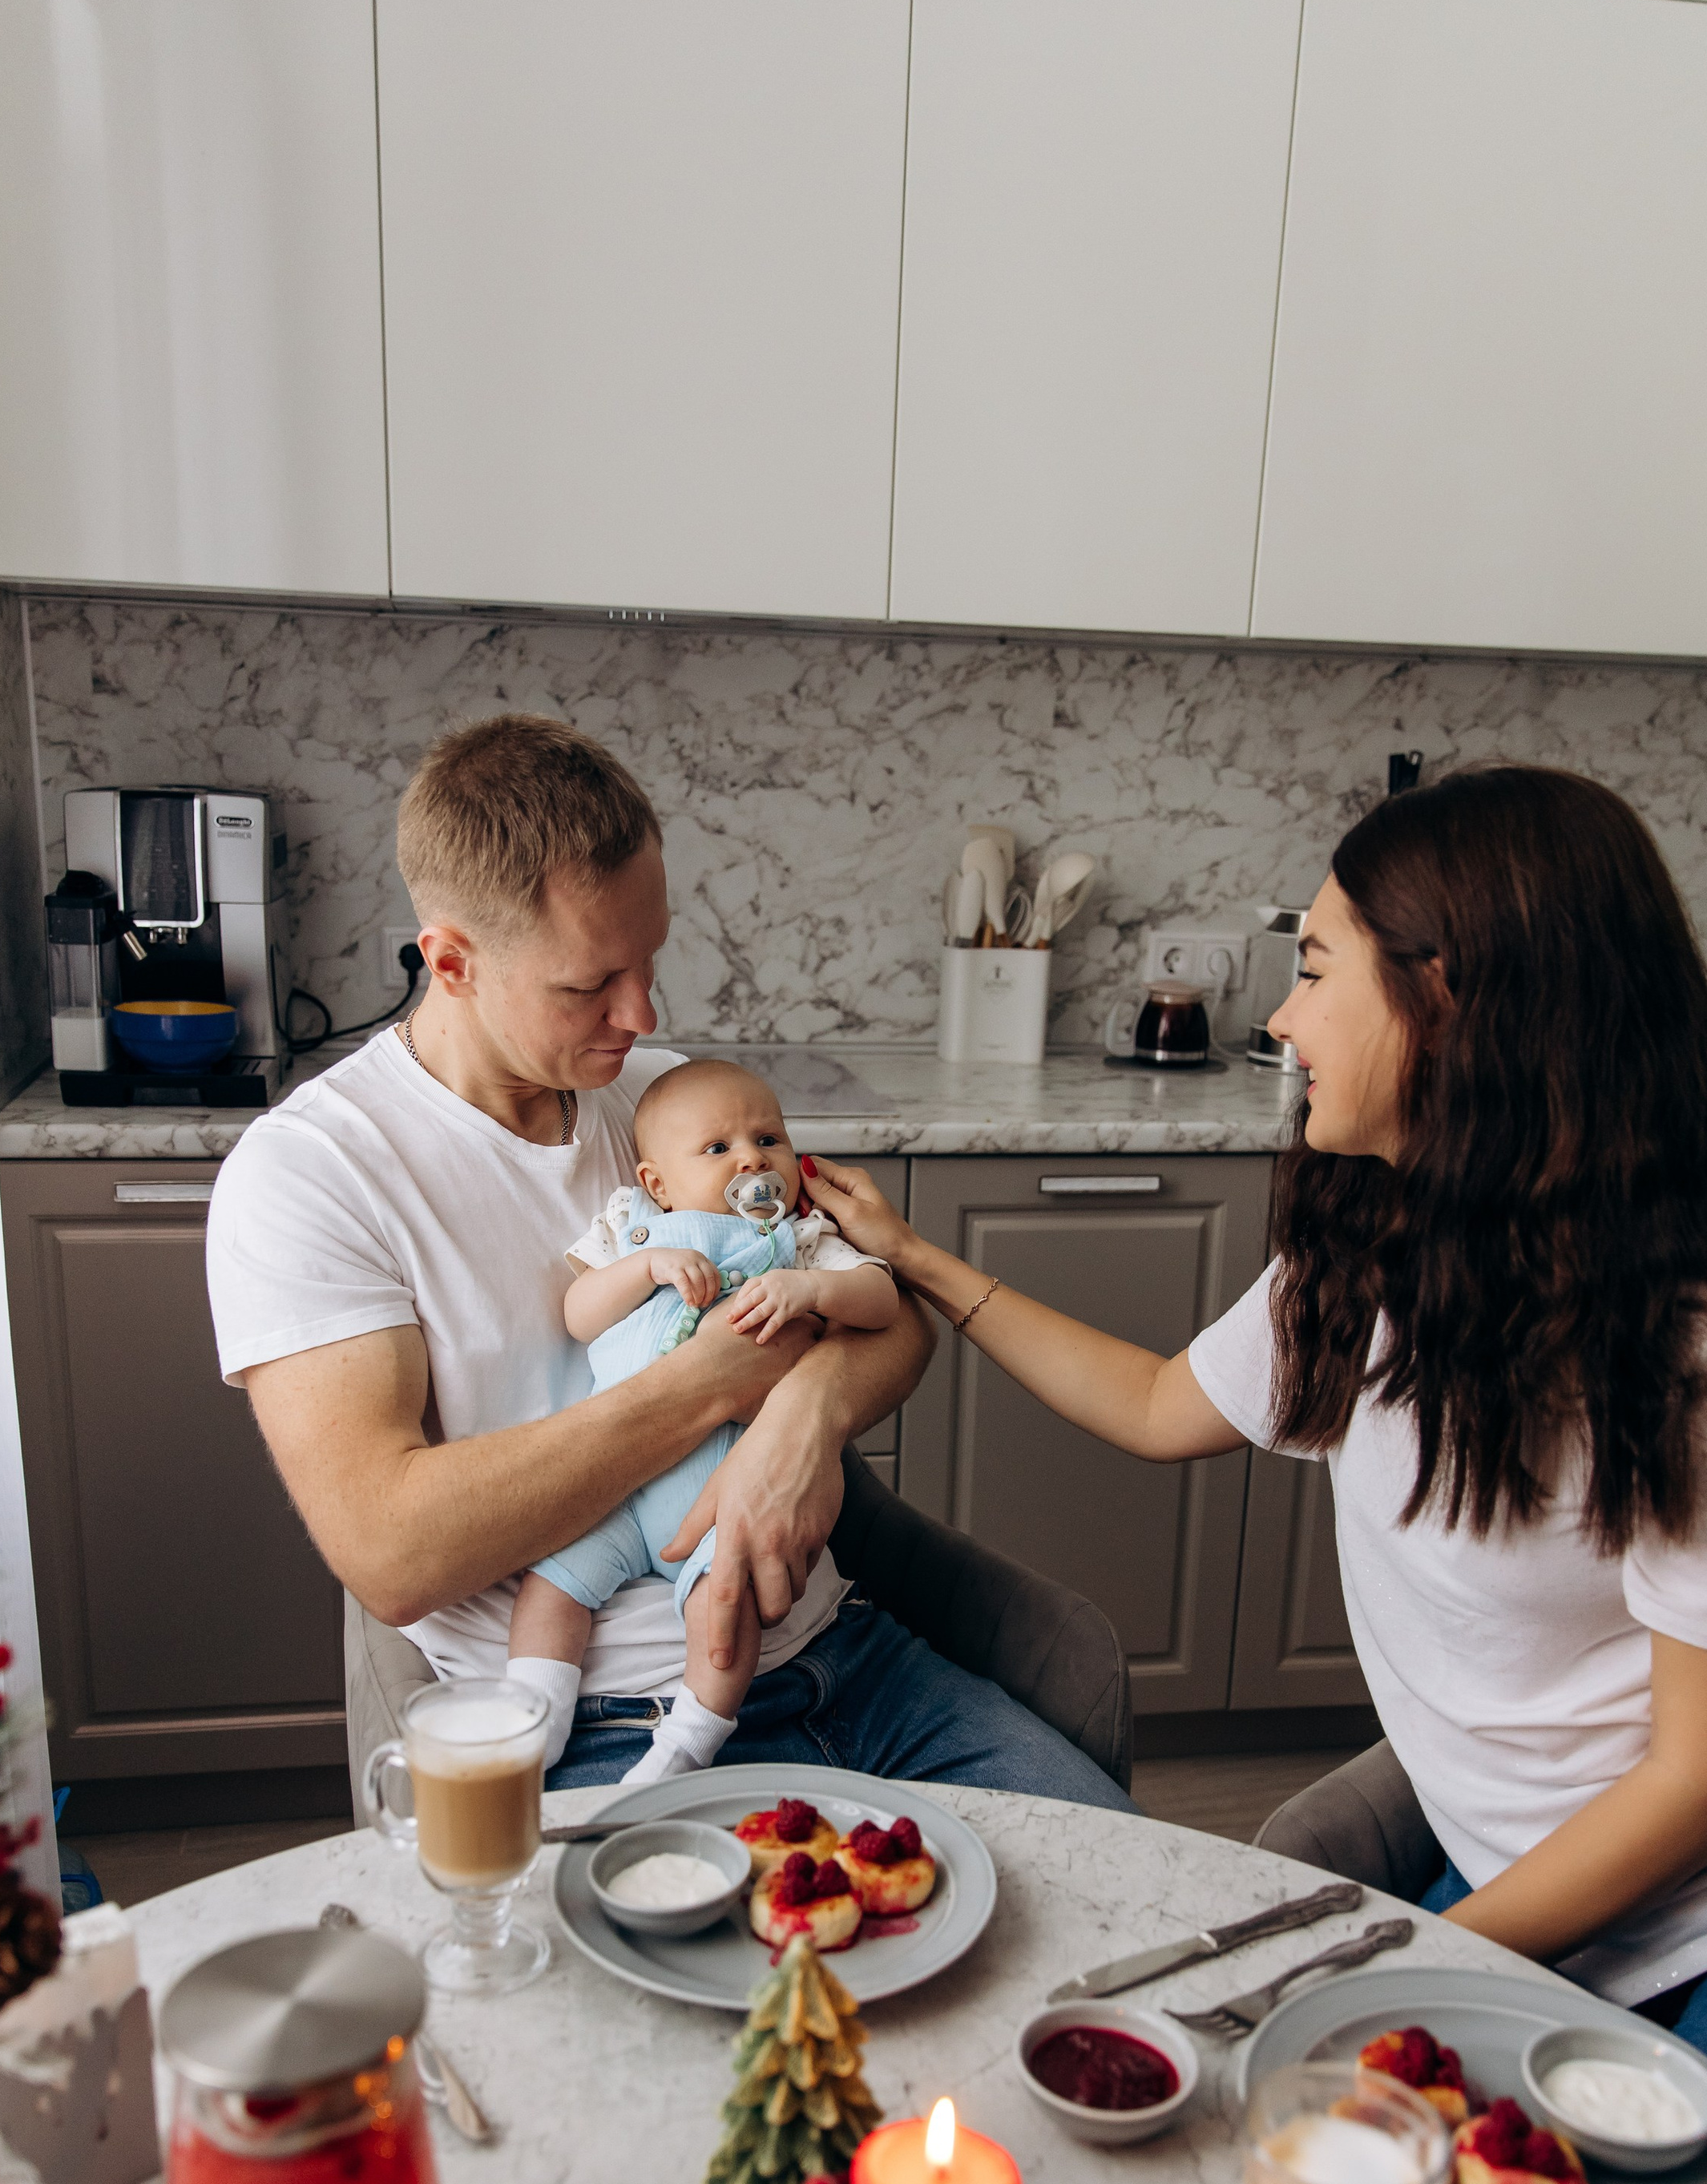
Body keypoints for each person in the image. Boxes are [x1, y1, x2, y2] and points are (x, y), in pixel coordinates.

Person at [808, 765, 1707, 2184]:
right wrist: (922, 1260)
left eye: (1313, 971)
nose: (1282, 1018)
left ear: (1451, 997)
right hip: (1534, 1888)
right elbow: (1155, 1402)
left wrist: (1439, 1954)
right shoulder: (1371, 1243)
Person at [204, 711, 1129, 1807]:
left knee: (1115, 1896)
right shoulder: (315, 1173)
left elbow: (892, 1312)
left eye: (650, 960)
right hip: (598, 1728)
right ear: (450, 960)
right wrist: (715, 1385)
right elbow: (392, 1552)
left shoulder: (683, 1102)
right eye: (588, 985)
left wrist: (801, 1423)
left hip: (861, 1673)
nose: (642, 1013)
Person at [507, 1056, 898, 1787]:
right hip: (621, 1495)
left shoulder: (804, 1239)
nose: (752, 1158)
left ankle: (691, 1737)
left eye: (769, 1139)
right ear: (657, 1182)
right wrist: (645, 1270)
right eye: (719, 1149)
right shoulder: (632, 1226)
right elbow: (578, 1313)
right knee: (552, 1586)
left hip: (731, 1496)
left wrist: (810, 1287)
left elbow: (883, 1303)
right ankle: (534, 1715)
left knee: (729, 1601)